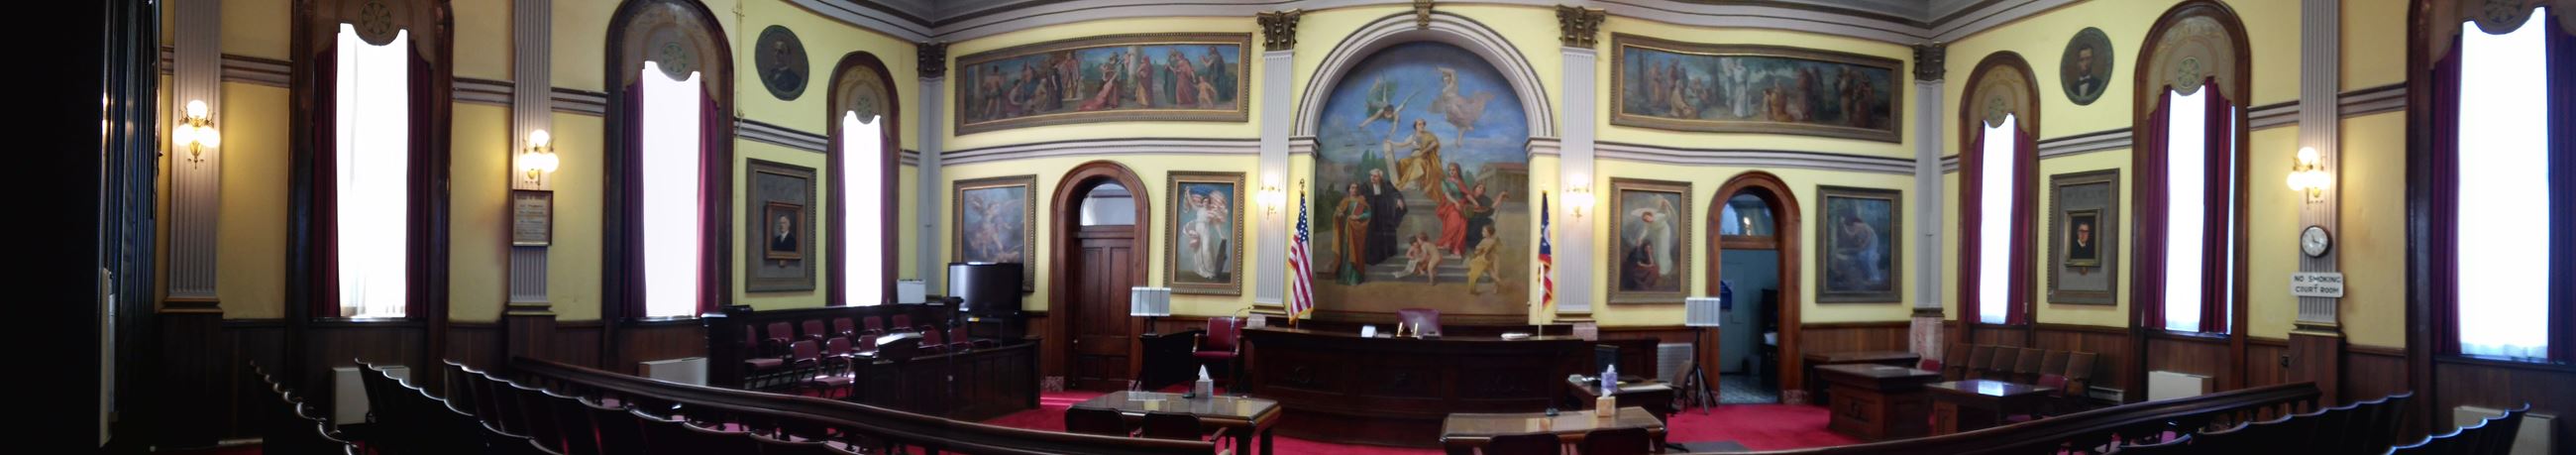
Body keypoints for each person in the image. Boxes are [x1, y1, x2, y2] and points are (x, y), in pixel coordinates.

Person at [1626, 197, 1675, 288]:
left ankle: (1664, 270)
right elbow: (1645, 231)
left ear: (1650, 215)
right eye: (1645, 219)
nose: (1647, 220)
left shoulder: (1659, 216)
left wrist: (1666, 206)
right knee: (1656, 251)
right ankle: (1659, 268)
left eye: (1647, 217)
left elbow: (1668, 216)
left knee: (1663, 250)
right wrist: (1640, 239)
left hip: (1664, 232)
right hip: (1657, 234)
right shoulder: (1648, 224)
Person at [1361, 170, 1408, 265]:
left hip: (1384, 212)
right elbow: (1361, 198)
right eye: (1371, 176)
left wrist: (1398, 199)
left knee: (1387, 231)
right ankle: (1373, 258)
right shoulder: (1365, 185)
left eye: (1375, 176)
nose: (1372, 178)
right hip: (1372, 213)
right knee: (1372, 235)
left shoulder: (1386, 183)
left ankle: (1388, 254)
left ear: (1380, 177)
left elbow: (1395, 192)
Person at [1387, 119, 1446, 191]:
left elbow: (1435, 143)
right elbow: (1402, 144)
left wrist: (1424, 151)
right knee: (1402, 162)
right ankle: (1406, 182)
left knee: (1417, 163)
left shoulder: (1428, 135)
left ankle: (1414, 184)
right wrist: (1391, 142)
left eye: (1423, 124)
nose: (1422, 126)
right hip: (1413, 156)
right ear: (1416, 126)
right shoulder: (1412, 137)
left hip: (1425, 158)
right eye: (1419, 124)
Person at [1335, 183, 1373, 285]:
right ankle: (1345, 278)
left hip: (1357, 232)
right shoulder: (1345, 201)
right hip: (1347, 231)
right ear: (1349, 189)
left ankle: (1355, 279)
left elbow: (1368, 214)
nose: (1354, 189)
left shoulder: (1361, 202)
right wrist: (1339, 214)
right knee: (1346, 253)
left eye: (1356, 188)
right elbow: (1337, 213)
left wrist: (1357, 217)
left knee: (1357, 252)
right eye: (1352, 187)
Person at [1433, 164, 1471, 258]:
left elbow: (1467, 195)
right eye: (1450, 170)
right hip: (1451, 205)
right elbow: (1447, 195)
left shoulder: (1461, 182)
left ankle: (1456, 247)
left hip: (1462, 207)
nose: (1452, 172)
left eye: (1454, 170)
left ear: (1458, 170)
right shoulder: (1445, 182)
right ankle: (1448, 242)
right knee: (1455, 223)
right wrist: (1456, 203)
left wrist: (1475, 203)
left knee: (1463, 225)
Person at [1464, 225, 1503, 294]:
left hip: (1488, 258)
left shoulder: (1484, 241)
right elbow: (1499, 247)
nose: (1482, 232)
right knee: (1494, 274)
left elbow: (1477, 251)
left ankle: (1498, 287)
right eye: (1483, 231)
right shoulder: (1494, 240)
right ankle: (1500, 285)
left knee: (1493, 274)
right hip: (1494, 257)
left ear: (1489, 233)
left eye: (1484, 231)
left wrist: (1478, 250)